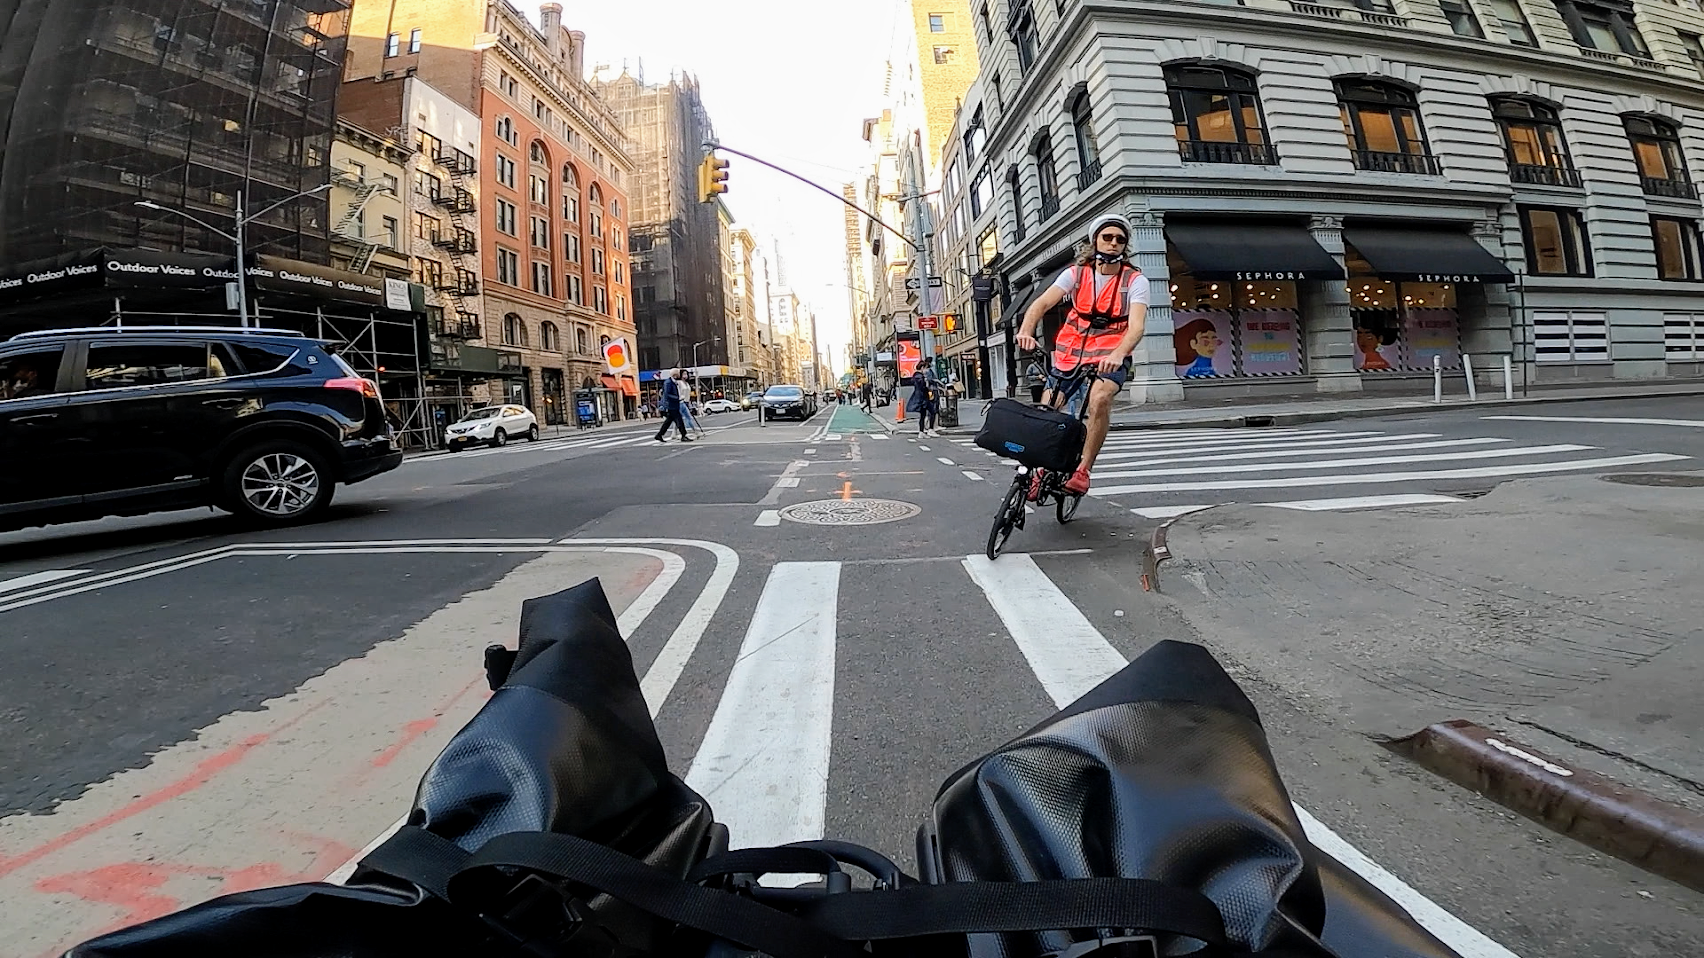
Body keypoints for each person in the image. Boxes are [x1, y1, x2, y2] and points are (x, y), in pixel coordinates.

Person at [1015, 212, 1150, 496]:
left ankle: (1083, 470)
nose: (1114, 243)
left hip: (1111, 353)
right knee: (1049, 406)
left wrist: (1119, 353)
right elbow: (1040, 304)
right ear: (1095, 241)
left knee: (1099, 400)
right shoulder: (1075, 274)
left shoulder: (1135, 280)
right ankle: (1041, 469)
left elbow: (1136, 327)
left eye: (1120, 240)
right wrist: (1026, 332)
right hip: (1070, 353)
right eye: (1108, 237)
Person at [653, 369, 692, 442]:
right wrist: (678, 398)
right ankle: (684, 435)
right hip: (671, 405)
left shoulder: (673, 382)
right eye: (678, 374)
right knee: (679, 420)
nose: (679, 375)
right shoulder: (668, 382)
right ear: (675, 374)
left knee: (668, 421)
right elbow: (667, 394)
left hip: (674, 404)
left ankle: (659, 435)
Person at [905, 364, 935, 437]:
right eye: (925, 368)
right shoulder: (920, 377)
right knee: (932, 412)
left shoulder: (916, 376)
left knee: (923, 415)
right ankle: (930, 429)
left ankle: (921, 432)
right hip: (923, 398)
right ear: (922, 368)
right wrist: (926, 384)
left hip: (920, 398)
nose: (926, 370)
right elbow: (923, 387)